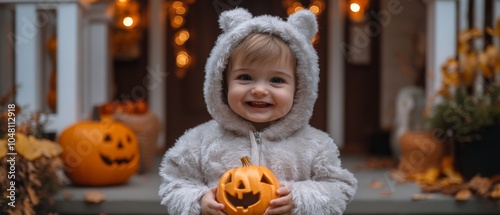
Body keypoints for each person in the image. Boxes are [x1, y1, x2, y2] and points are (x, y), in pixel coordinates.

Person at [159, 8, 357, 215]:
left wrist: (300, 199)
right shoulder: (198, 142)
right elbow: (173, 183)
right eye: (245, 77)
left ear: (299, 89)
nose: (259, 90)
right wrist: (198, 200)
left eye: (276, 80)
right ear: (223, 84)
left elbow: (339, 188)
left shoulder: (315, 145)